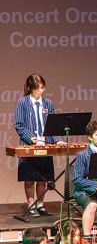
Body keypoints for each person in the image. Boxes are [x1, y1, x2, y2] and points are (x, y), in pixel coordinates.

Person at [14, 74, 57, 217]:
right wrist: (32, 139)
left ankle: (40, 205)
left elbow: (53, 125)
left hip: (45, 145)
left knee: (43, 178)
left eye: (43, 88)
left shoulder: (48, 104)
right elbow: (19, 125)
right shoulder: (23, 102)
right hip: (30, 146)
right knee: (29, 177)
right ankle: (31, 205)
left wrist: (57, 140)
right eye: (38, 88)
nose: (41, 91)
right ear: (31, 89)